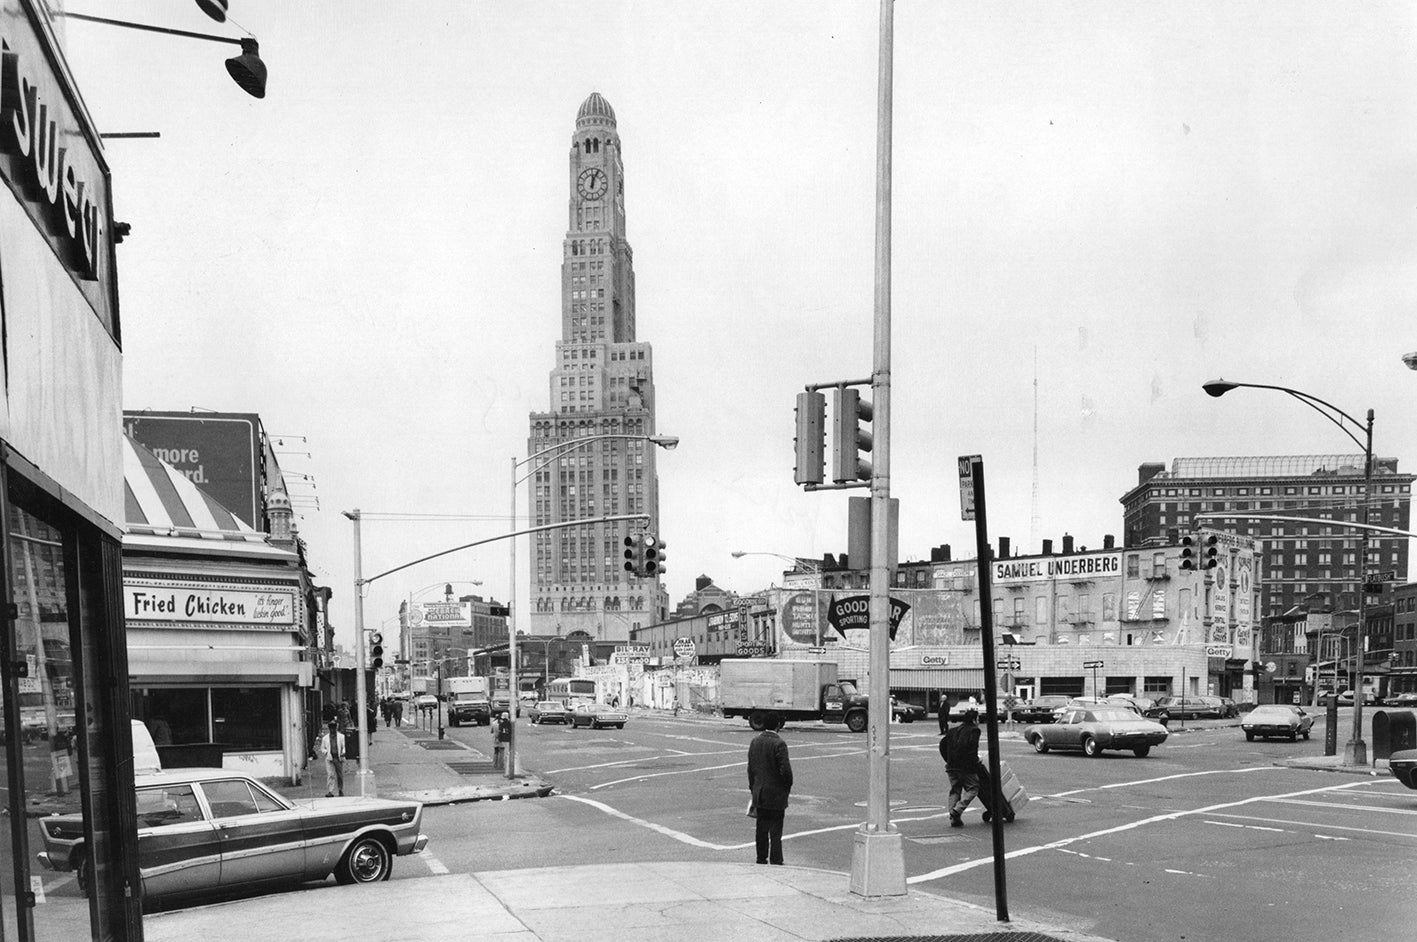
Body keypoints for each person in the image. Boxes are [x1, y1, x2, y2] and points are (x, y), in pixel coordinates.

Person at [747, 711, 793, 865]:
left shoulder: (755, 742)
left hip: (759, 792)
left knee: (761, 828)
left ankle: (761, 858)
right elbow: (785, 771)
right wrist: (786, 787)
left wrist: (753, 788)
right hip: (776, 794)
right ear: (778, 725)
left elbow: (751, 769)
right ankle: (776, 859)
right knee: (775, 830)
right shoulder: (779, 743)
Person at [941, 706, 986, 827]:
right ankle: (957, 810)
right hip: (965, 766)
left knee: (955, 789)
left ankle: (953, 818)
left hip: (951, 766)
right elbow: (972, 748)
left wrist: (948, 759)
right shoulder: (974, 730)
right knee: (973, 788)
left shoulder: (952, 730)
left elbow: (942, 745)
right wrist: (976, 762)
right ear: (974, 719)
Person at [318, 720, 346, 797]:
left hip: (338, 758)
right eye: (331, 729)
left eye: (334, 728)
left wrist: (343, 752)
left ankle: (340, 789)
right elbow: (322, 748)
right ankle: (330, 791)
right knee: (330, 774)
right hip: (330, 758)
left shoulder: (341, 737)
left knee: (339, 775)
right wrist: (326, 752)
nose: (333, 730)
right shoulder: (325, 738)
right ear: (329, 729)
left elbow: (344, 746)